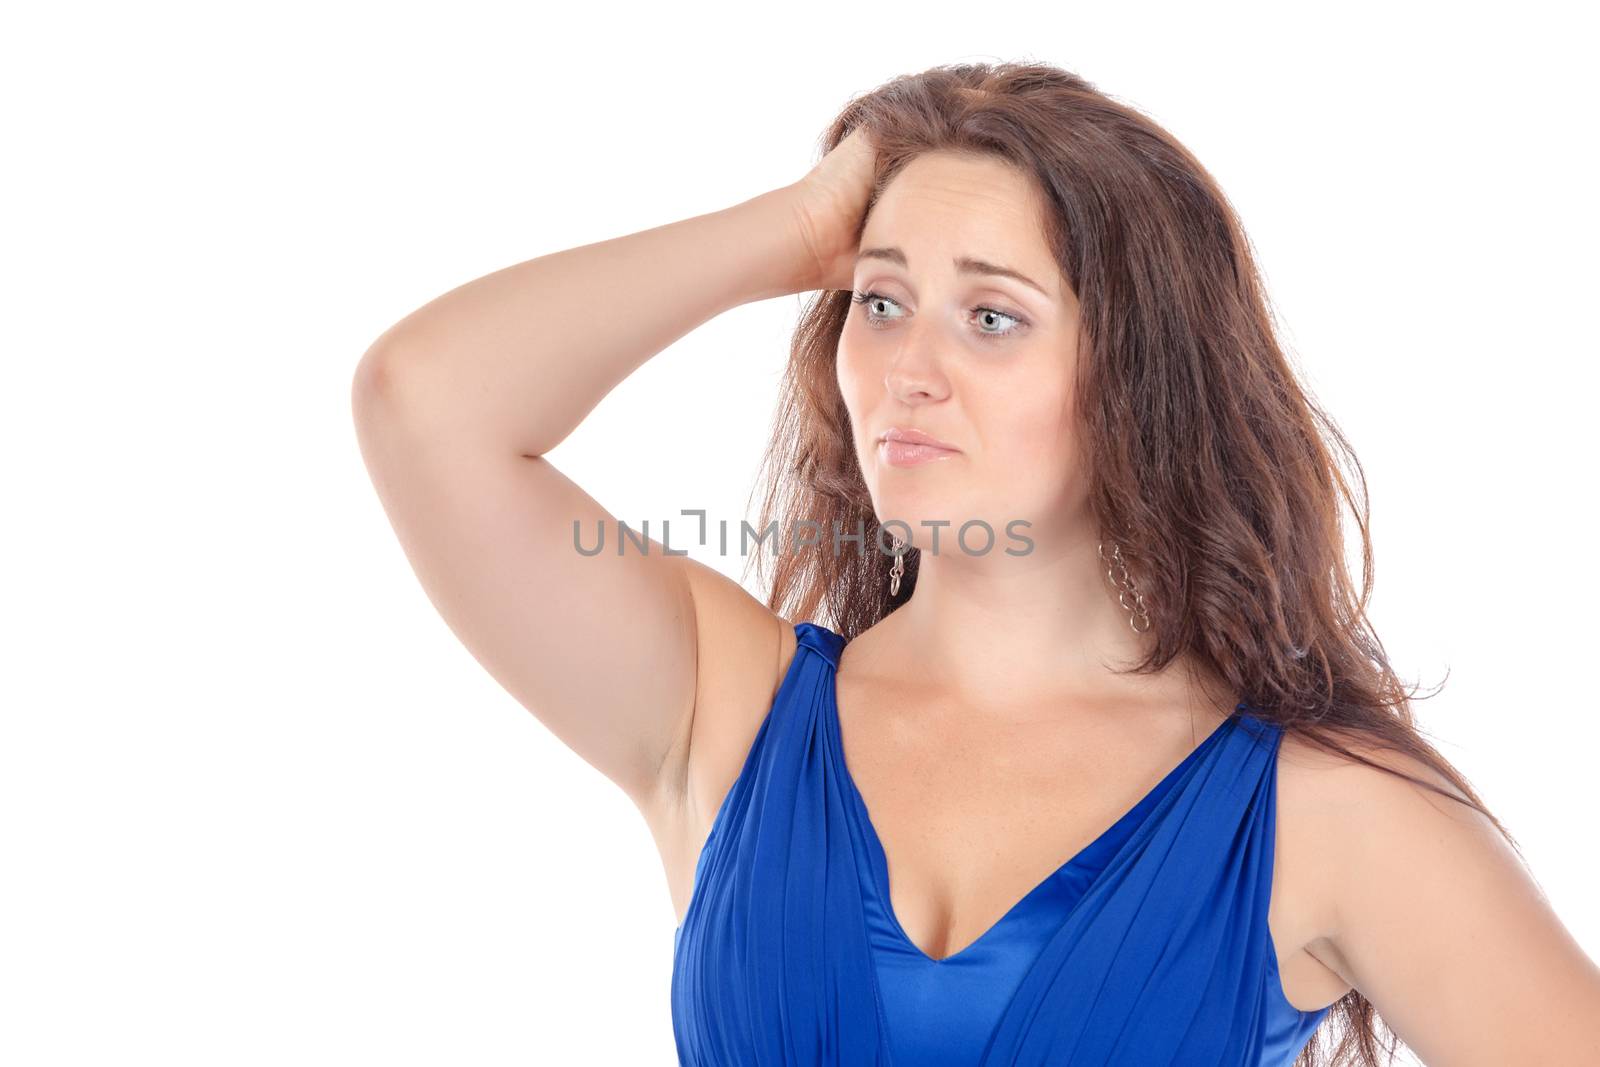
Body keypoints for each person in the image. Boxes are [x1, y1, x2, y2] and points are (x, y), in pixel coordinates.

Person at [351, 61, 1600, 1065]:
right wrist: (793, 230)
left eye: (991, 317)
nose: (907, 368)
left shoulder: (1326, 813)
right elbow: (425, 404)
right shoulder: (721, 703)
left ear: (1135, 379)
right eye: (880, 303)